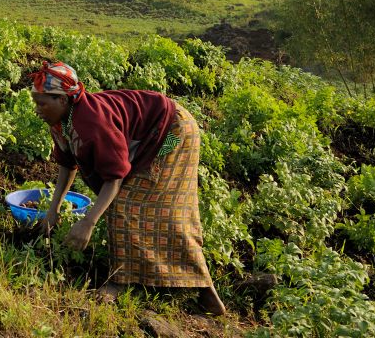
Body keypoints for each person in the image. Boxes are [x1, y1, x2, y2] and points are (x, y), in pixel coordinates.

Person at [30, 61, 227, 315]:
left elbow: (114, 178)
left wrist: (88, 222)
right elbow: (68, 165)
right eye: (35, 103)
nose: (37, 110)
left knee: (126, 202)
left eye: (42, 104)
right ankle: (203, 290)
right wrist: (53, 210)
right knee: (147, 206)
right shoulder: (61, 124)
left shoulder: (92, 123)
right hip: (160, 133)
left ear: (63, 100)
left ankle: (119, 282)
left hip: (174, 132)